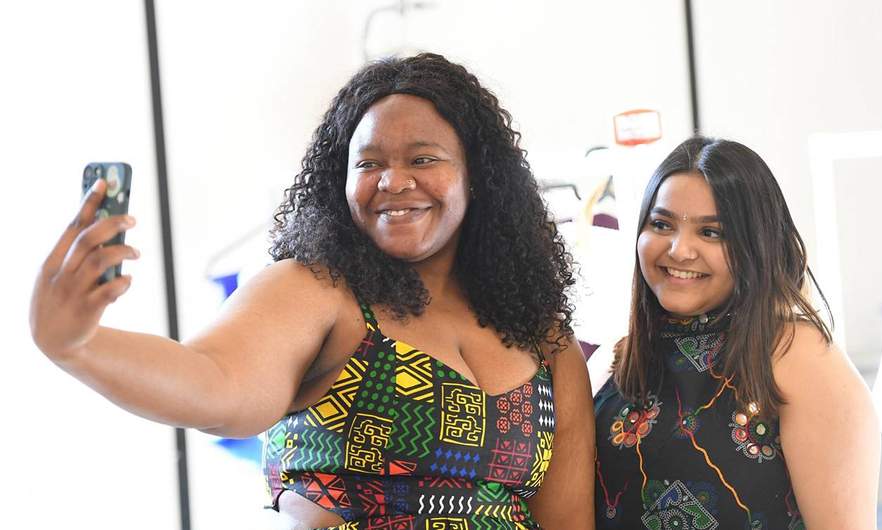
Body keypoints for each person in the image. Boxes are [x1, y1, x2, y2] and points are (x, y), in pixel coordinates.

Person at [29, 53, 594, 529]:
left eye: (423, 159)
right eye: (368, 163)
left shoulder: (545, 342)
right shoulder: (318, 291)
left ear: (479, 177)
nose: (392, 181)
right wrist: (79, 345)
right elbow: (214, 384)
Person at [592, 137, 880, 529]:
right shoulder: (625, 355)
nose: (679, 250)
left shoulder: (797, 354)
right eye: (661, 224)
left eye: (711, 233)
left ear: (756, 245)